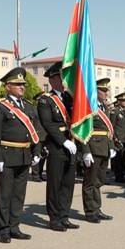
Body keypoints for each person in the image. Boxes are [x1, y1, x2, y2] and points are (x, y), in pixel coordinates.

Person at [0, 67, 46, 243]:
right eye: (18, 84)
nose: (22, 87)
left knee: (19, 195)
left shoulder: (28, 107)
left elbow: (35, 131)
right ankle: (2, 229)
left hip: (24, 155)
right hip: (6, 156)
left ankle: (14, 226)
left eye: (23, 84)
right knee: (4, 195)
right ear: (8, 87)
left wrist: (36, 152)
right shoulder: (0, 107)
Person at [37, 61, 79, 232]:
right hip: (57, 146)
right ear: (52, 79)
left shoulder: (71, 98)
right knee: (55, 183)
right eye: (61, 77)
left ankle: (64, 216)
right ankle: (54, 218)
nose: (64, 81)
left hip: (73, 144)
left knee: (68, 183)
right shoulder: (45, 100)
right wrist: (64, 141)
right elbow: (48, 124)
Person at [81, 78, 117, 223]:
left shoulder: (104, 107)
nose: (106, 92)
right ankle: (89, 212)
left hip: (104, 148)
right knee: (90, 182)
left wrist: (112, 147)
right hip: (93, 148)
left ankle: (97, 208)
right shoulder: (88, 107)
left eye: (106, 90)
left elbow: (108, 130)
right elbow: (83, 130)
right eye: (103, 90)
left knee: (99, 181)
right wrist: (85, 150)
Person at [110, 93, 125, 183]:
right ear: (119, 102)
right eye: (123, 100)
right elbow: (112, 126)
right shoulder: (115, 112)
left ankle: (122, 174)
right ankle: (118, 176)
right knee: (118, 158)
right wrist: (114, 137)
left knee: (124, 158)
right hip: (119, 138)